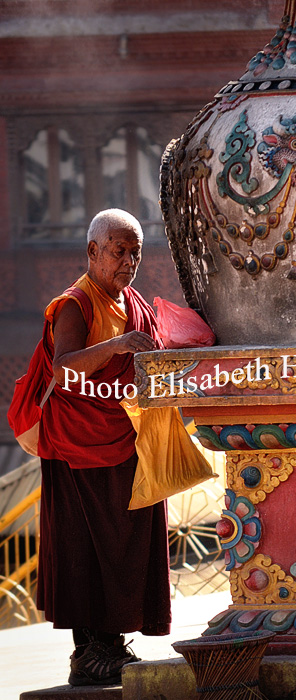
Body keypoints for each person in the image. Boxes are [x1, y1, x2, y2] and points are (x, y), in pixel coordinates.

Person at [36, 209, 171, 686]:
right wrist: (115, 348)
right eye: (119, 251)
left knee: (126, 544)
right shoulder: (76, 304)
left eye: (136, 252)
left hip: (126, 440)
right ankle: (88, 653)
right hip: (80, 447)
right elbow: (64, 370)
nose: (129, 261)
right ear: (93, 252)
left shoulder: (133, 303)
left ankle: (112, 645)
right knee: (86, 547)